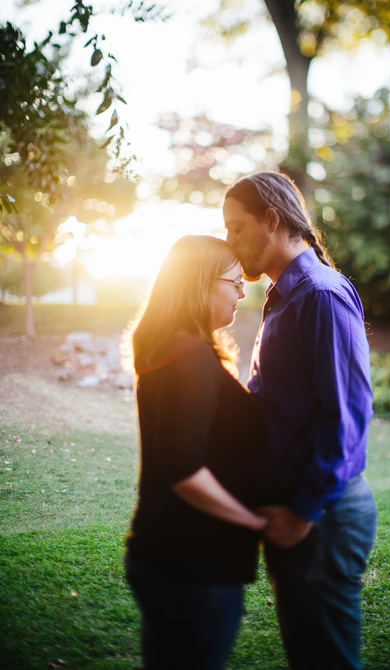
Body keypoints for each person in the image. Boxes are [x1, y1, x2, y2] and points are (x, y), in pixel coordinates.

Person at [223, 171, 377, 669]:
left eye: (235, 227)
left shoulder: (318, 294)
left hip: (322, 516)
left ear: (271, 220)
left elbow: (347, 413)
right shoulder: (285, 294)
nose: (230, 241)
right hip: (299, 509)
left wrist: (303, 511)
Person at [123, 235, 269, 669]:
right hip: (193, 564)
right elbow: (183, 469)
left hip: (166, 554)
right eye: (235, 282)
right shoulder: (188, 358)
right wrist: (255, 522)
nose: (243, 293)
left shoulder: (173, 348)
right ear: (202, 284)